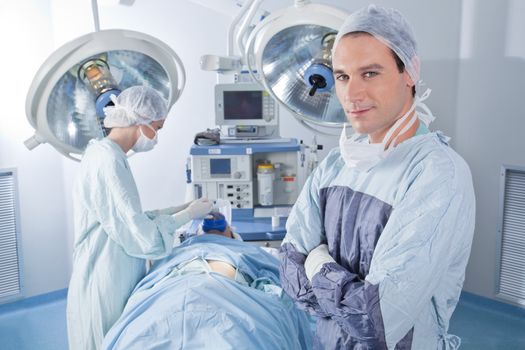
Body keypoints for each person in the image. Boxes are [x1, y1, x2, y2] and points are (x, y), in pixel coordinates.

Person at [279, 5, 475, 350]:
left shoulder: (437, 174)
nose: (352, 95)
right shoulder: (334, 166)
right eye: (342, 76)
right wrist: (341, 288)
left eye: (370, 73)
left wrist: (318, 260)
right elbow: (292, 279)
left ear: (409, 72)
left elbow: (377, 319)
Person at [66, 85, 213, 350]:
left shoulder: (106, 154)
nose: (156, 136)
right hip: (105, 278)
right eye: (157, 127)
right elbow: (141, 234)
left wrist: (182, 207)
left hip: (114, 268)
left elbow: (129, 216)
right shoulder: (107, 162)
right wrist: (187, 215)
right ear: (140, 121)